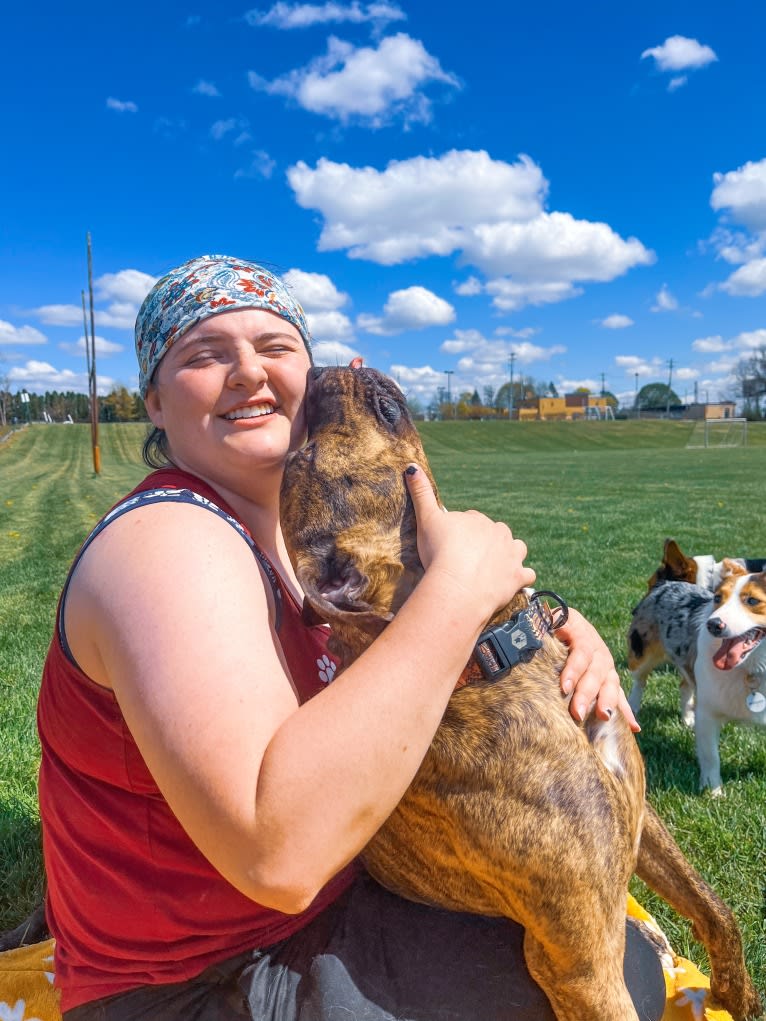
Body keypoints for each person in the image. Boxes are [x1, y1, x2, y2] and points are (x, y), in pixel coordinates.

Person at [37, 254, 664, 1021]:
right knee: (589, 975)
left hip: (327, 907)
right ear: (155, 404)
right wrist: (457, 597)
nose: (247, 372)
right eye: (205, 355)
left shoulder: (292, 533)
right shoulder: (169, 544)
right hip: (199, 982)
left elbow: (402, 661)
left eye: (275, 347)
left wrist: (556, 628)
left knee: (594, 943)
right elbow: (279, 854)